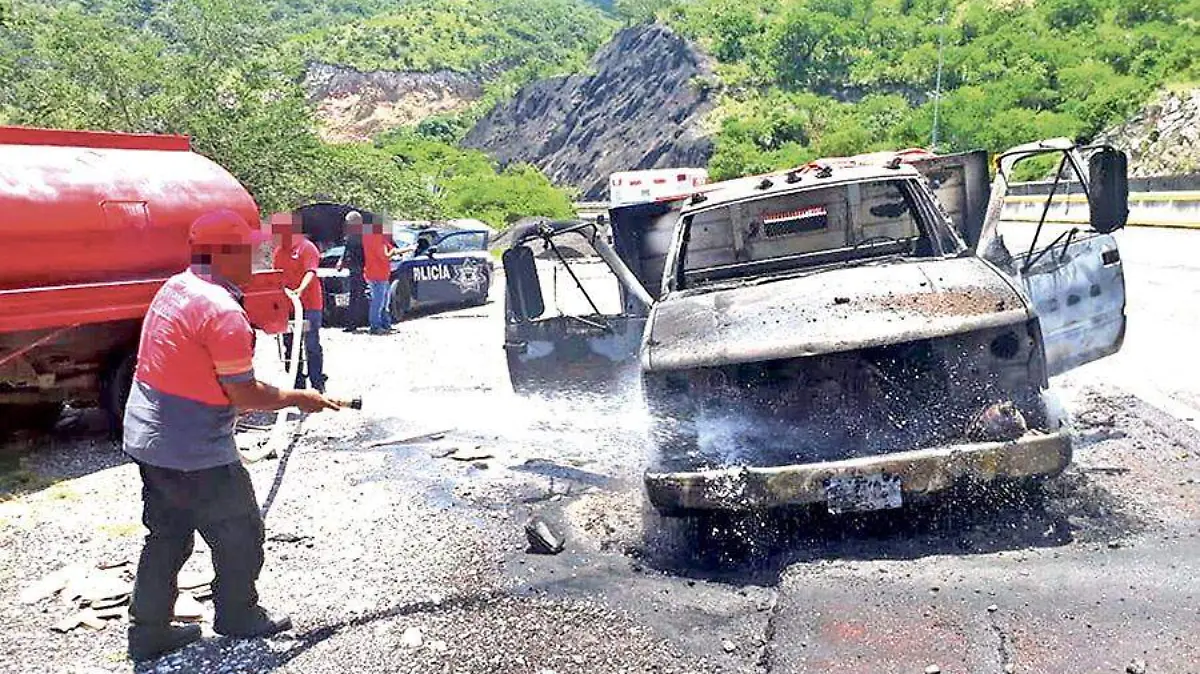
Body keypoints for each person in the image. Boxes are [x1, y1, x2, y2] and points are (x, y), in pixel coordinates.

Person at [122, 209, 341, 662]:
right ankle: (238, 614)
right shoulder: (222, 311)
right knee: (241, 530)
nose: (257, 258)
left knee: (167, 535)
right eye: (247, 251)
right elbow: (242, 393)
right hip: (192, 449)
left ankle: (148, 632)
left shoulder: (176, 286)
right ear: (222, 254)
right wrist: (299, 397)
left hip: (148, 437)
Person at [271, 213, 326, 392]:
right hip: (288, 306)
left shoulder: (306, 248)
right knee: (289, 343)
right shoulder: (279, 252)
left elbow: (310, 271)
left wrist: (300, 289)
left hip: (310, 305)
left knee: (311, 343)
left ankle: (317, 382)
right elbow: (276, 275)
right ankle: (297, 382)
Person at [336, 211, 368, 332]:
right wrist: (341, 261)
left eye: (349, 222)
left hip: (360, 268)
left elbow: (368, 252)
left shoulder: (364, 235)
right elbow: (347, 249)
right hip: (352, 268)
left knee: (357, 296)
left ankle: (355, 323)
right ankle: (352, 323)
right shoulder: (351, 235)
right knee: (354, 296)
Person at [363, 221, 397, 334]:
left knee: (383, 301)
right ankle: (375, 326)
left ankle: (385, 323)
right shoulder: (377, 239)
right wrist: (394, 252)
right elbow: (385, 256)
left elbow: (390, 249)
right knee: (378, 302)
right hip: (378, 275)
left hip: (377, 273)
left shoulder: (370, 238)